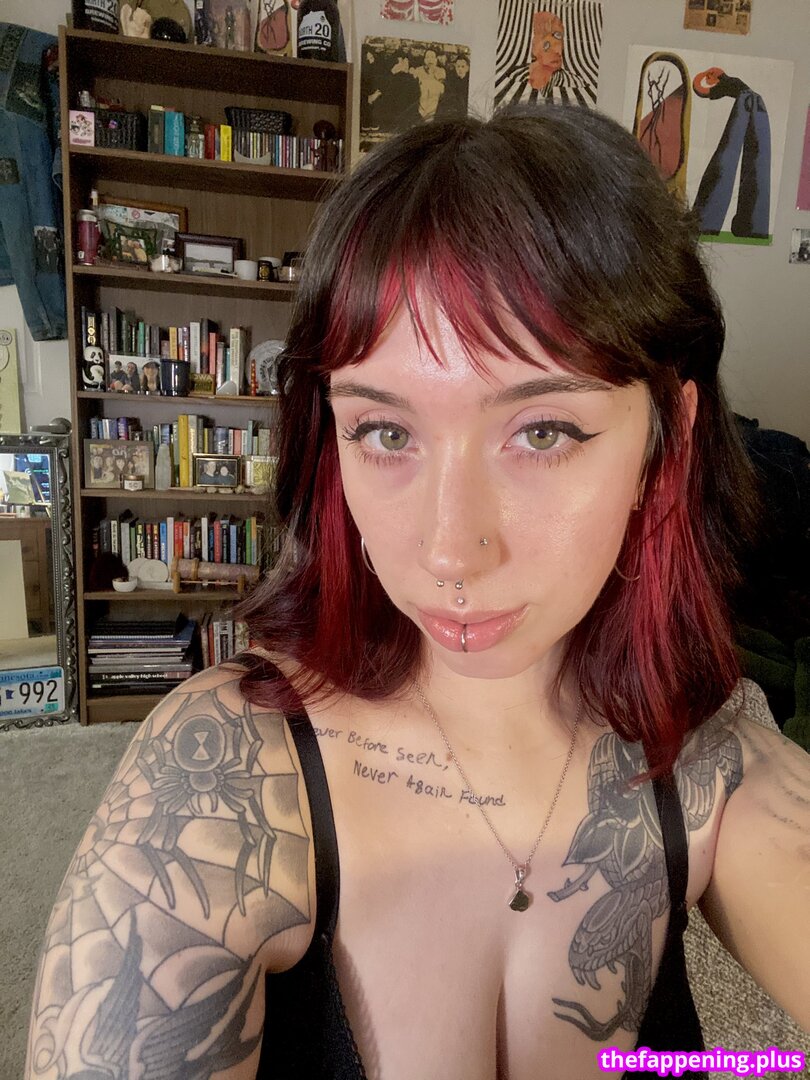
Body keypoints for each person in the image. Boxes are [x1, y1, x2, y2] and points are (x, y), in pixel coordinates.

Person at [25, 106, 809, 1079]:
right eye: (387, 432)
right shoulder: (221, 777)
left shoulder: (710, 755)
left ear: (667, 441)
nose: (449, 550)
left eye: (544, 432)